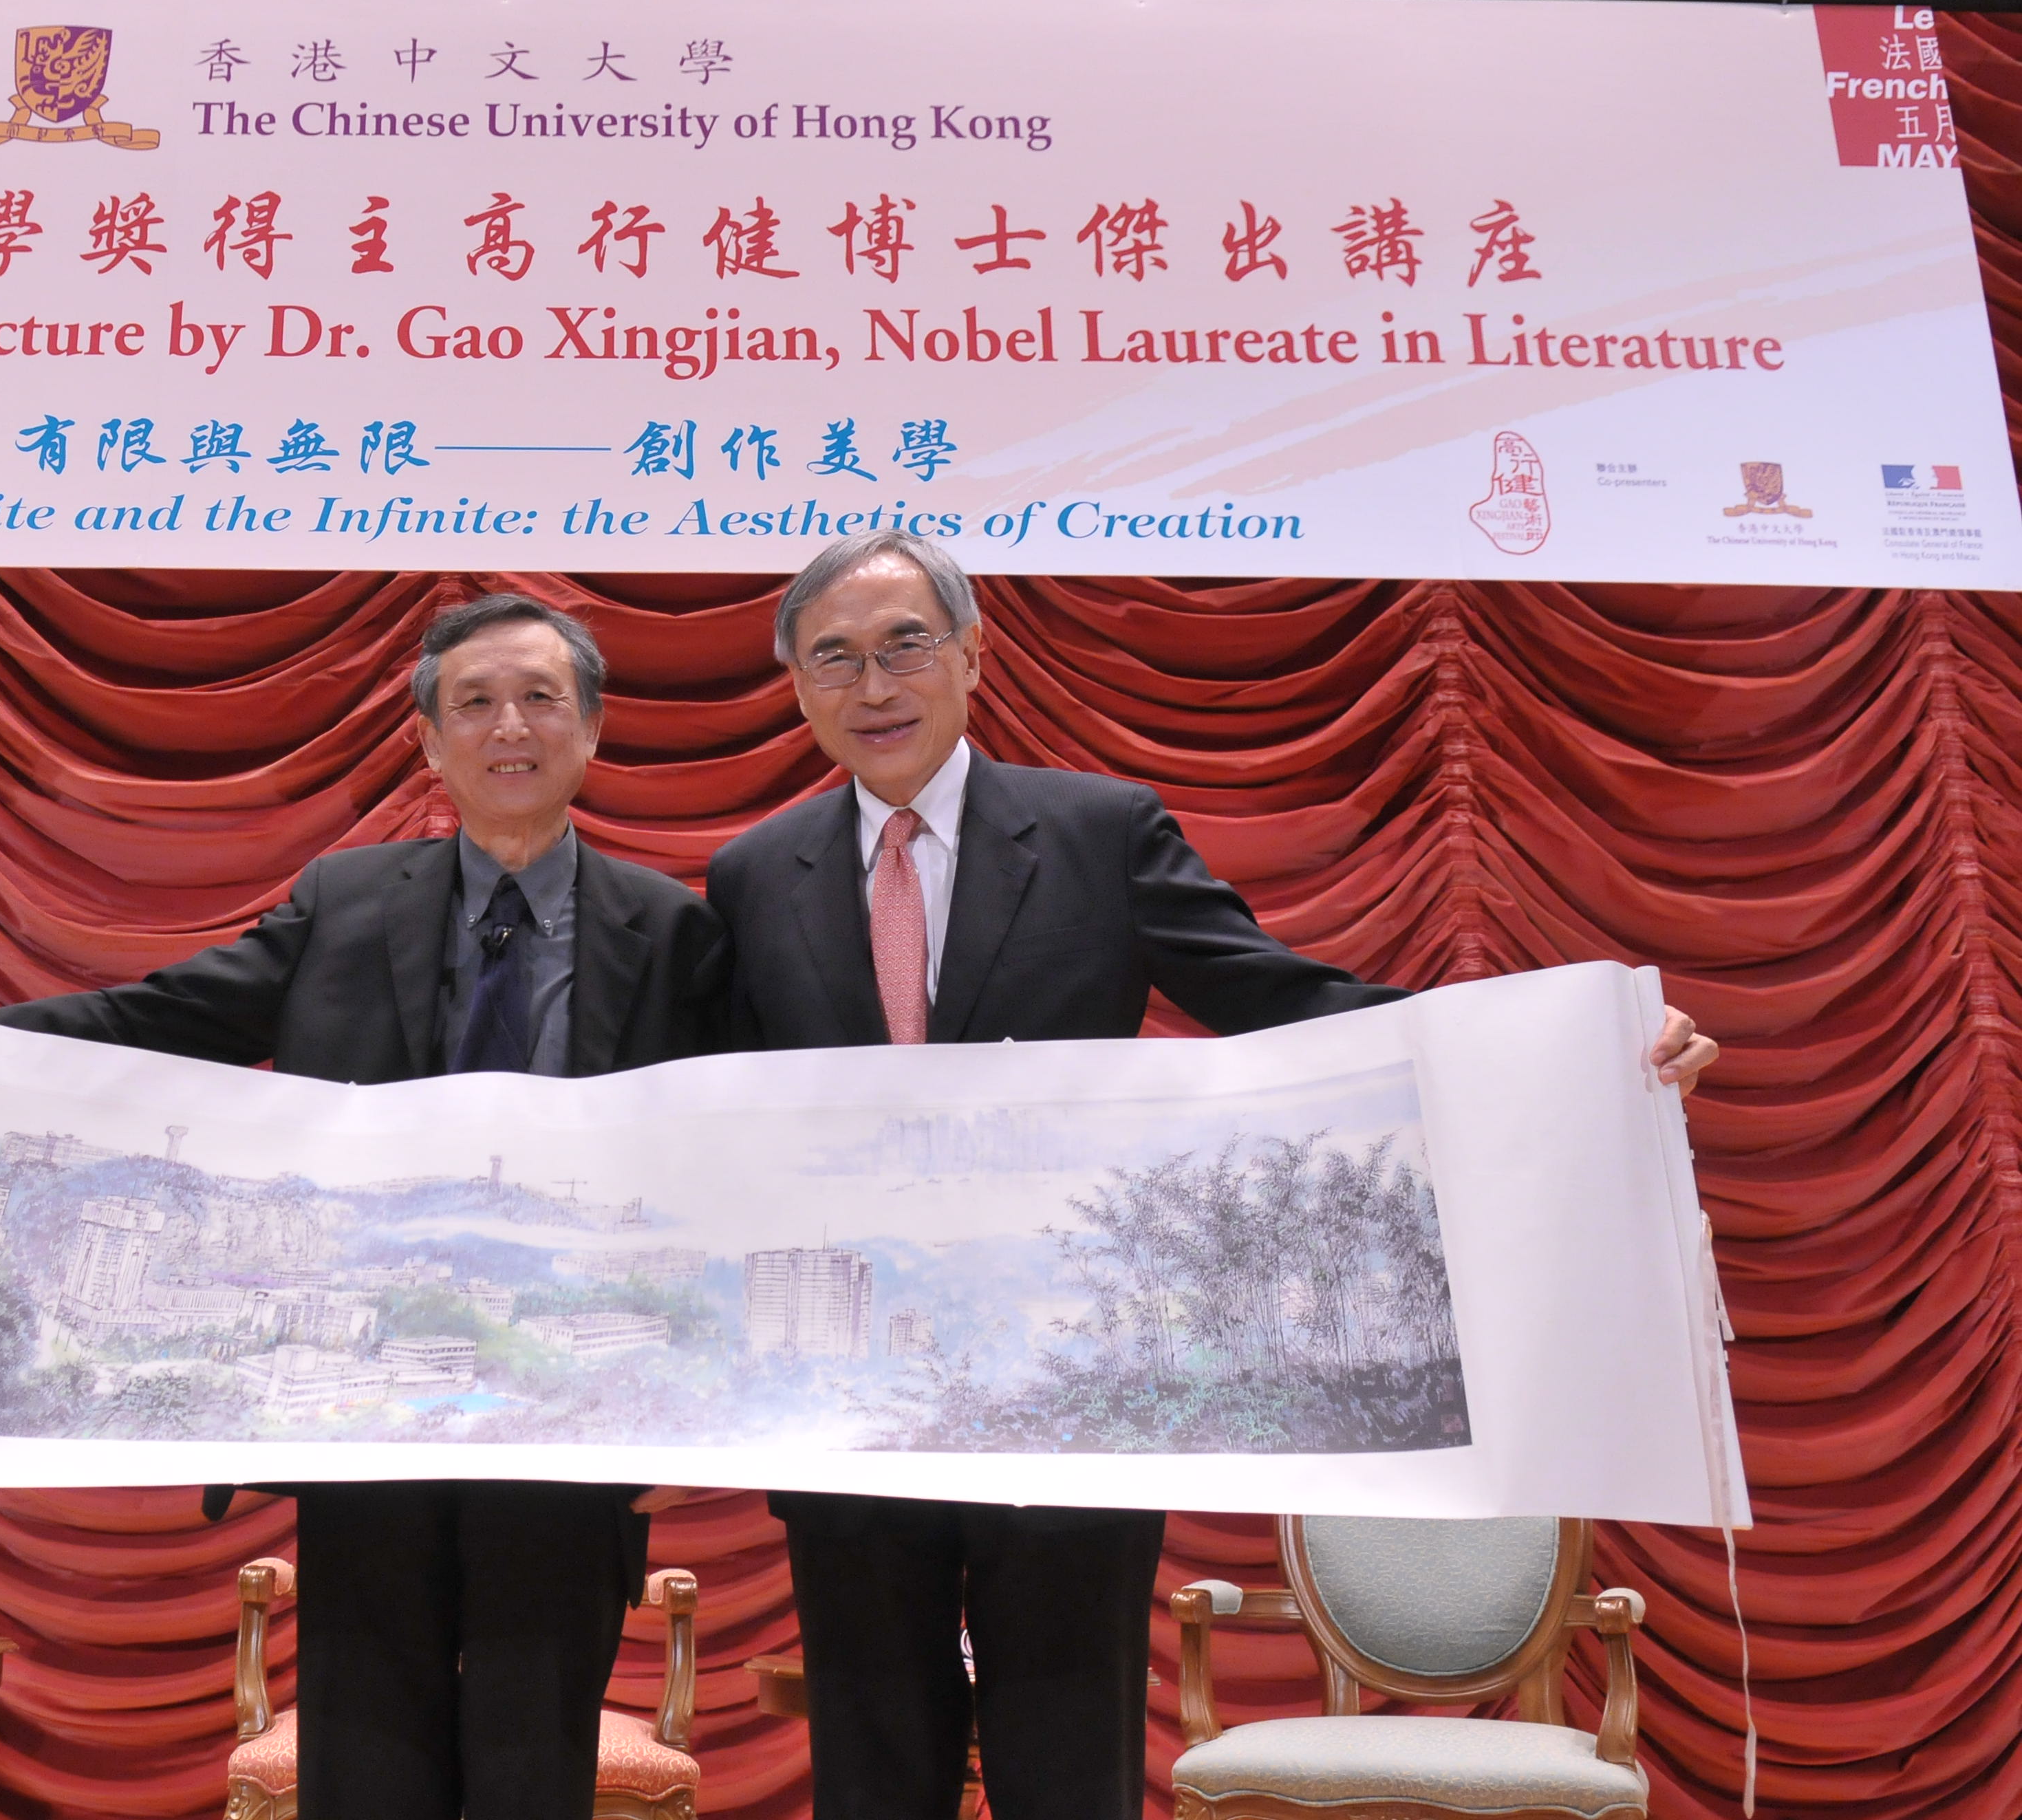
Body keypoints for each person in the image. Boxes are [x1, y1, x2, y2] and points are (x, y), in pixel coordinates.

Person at [705, 532, 1721, 1820]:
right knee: (873, 1754)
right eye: (833, 659)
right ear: (798, 691)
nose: (875, 683)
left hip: (1072, 1379)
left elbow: (1291, 1005)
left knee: (1065, 1747)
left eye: (906, 642)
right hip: (848, 1390)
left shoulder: (1095, 833)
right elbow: (703, 1105)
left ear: (973, 654)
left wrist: (1574, 1060)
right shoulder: (752, 876)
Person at [0, 592, 726, 1820]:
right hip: (358, 1419)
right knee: (366, 1761)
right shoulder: (348, 903)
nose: (509, 726)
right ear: (430, 743)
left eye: (541, 698)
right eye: (473, 702)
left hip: (569, 1417)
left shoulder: (677, 933)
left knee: (537, 1756)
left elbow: (744, 1158)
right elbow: (146, 1020)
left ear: (593, 731)